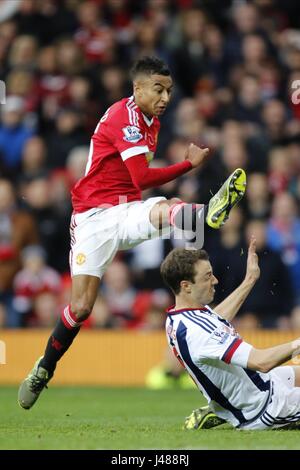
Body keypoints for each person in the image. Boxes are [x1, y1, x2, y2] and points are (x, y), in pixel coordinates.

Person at [18, 56, 246, 410]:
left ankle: (207, 213)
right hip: (92, 218)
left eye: (169, 90)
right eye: (158, 89)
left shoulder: (150, 120)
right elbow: (141, 177)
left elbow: (135, 185)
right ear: (137, 88)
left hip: (123, 211)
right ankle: (44, 368)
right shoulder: (124, 117)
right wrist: (188, 165)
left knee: (164, 208)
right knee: (80, 308)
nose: (165, 97)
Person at [160, 239, 300, 431]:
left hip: (262, 383)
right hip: (265, 407)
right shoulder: (198, 332)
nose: (215, 280)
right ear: (186, 286)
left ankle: (222, 407)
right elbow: (262, 362)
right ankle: (225, 408)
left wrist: (250, 279)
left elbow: (215, 320)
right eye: (207, 276)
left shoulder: (179, 317)